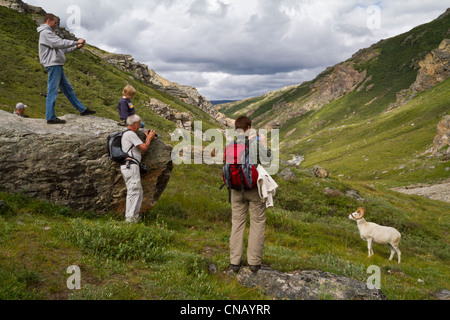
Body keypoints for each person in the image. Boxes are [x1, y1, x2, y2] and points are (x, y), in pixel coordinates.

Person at [229, 116, 272, 274]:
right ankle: (254, 263)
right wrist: (262, 144)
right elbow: (269, 160)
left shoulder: (231, 144)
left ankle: (235, 262)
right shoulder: (255, 142)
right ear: (249, 127)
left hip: (235, 189)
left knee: (237, 223)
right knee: (257, 222)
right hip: (255, 189)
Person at [37, 13, 96, 125]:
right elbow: (60, 43)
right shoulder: (46, 33)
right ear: (49, 21)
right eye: (55, 22)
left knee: (68, 89)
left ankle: (82, 110)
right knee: (52, 91)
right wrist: (76, 41)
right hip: (53, 65)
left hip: (56, 65)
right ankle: (50, 117)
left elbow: (61, 50)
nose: (56, 25)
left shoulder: (49, 33)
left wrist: (76, 47)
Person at [121, 115, 155, 223]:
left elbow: (141, 152)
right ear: (134, 124)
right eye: (139, 124)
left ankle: (134, 218)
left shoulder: (131, 134)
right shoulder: (130, 133)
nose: (140, 126)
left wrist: (146, 139)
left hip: (131, 164)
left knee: (138, 191)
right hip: (130, 165)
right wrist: (149, 139)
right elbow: (144, 147)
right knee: (134, 191)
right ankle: (130, 220)